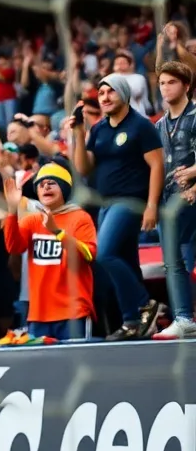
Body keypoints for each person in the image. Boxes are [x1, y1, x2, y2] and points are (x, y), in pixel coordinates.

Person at [70, 74, 166, 340]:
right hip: (105, 204)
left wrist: (152, 205)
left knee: (104, 254)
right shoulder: (98, 128)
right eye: (101, 93)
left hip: (130, 201)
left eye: (110, 92)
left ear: (123, 94)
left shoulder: (141, 125)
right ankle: (132, 321)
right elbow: (83, 168)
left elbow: (157, 165)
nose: (105, 97)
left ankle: (146, 304)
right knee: (126, 261)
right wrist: (78, 134)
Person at [2, 164, 98, 340]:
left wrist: (57, 232)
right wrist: (12, 211)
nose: (45, 187)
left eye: (52, 183)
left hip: (74, 313)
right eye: (41, 184)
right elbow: (14, 247)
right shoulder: (32, 221)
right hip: (38, 315)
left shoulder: (80, 218)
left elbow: (88, 254)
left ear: (64, 188)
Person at [153, 61, 196, 340]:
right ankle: (184, 317)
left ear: (186, 86)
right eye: (161, 83)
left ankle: (184, 316)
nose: (165, 88)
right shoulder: (158, 125)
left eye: (172, 82)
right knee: (175, 261)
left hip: (191, 197)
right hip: (168, 201)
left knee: (178, 261)